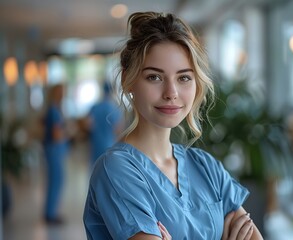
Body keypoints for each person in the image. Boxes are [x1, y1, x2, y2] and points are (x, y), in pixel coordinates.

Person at [83, 12, 264, 240]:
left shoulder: (206, 167)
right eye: (154, 77)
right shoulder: (116, 170)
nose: (171, 93)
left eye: (184, 78)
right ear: (128, 80)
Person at [42, 83, 69, 224]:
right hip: (54, 150)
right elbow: (56, 134)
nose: (63, 94)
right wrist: (68, 132)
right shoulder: (54, 110)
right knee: (56, 180)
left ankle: (50, 212)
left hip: (53, 149)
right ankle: (50, 214)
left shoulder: (54, 109)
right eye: (61, 91)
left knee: (55, 180)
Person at [86, 81, 124, 166]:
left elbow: (88, 125)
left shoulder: (95, 107)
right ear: (112, 91)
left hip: (96, 145)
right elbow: (118, 129)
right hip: (109, 145)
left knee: (96, 170)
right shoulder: (115, 109)